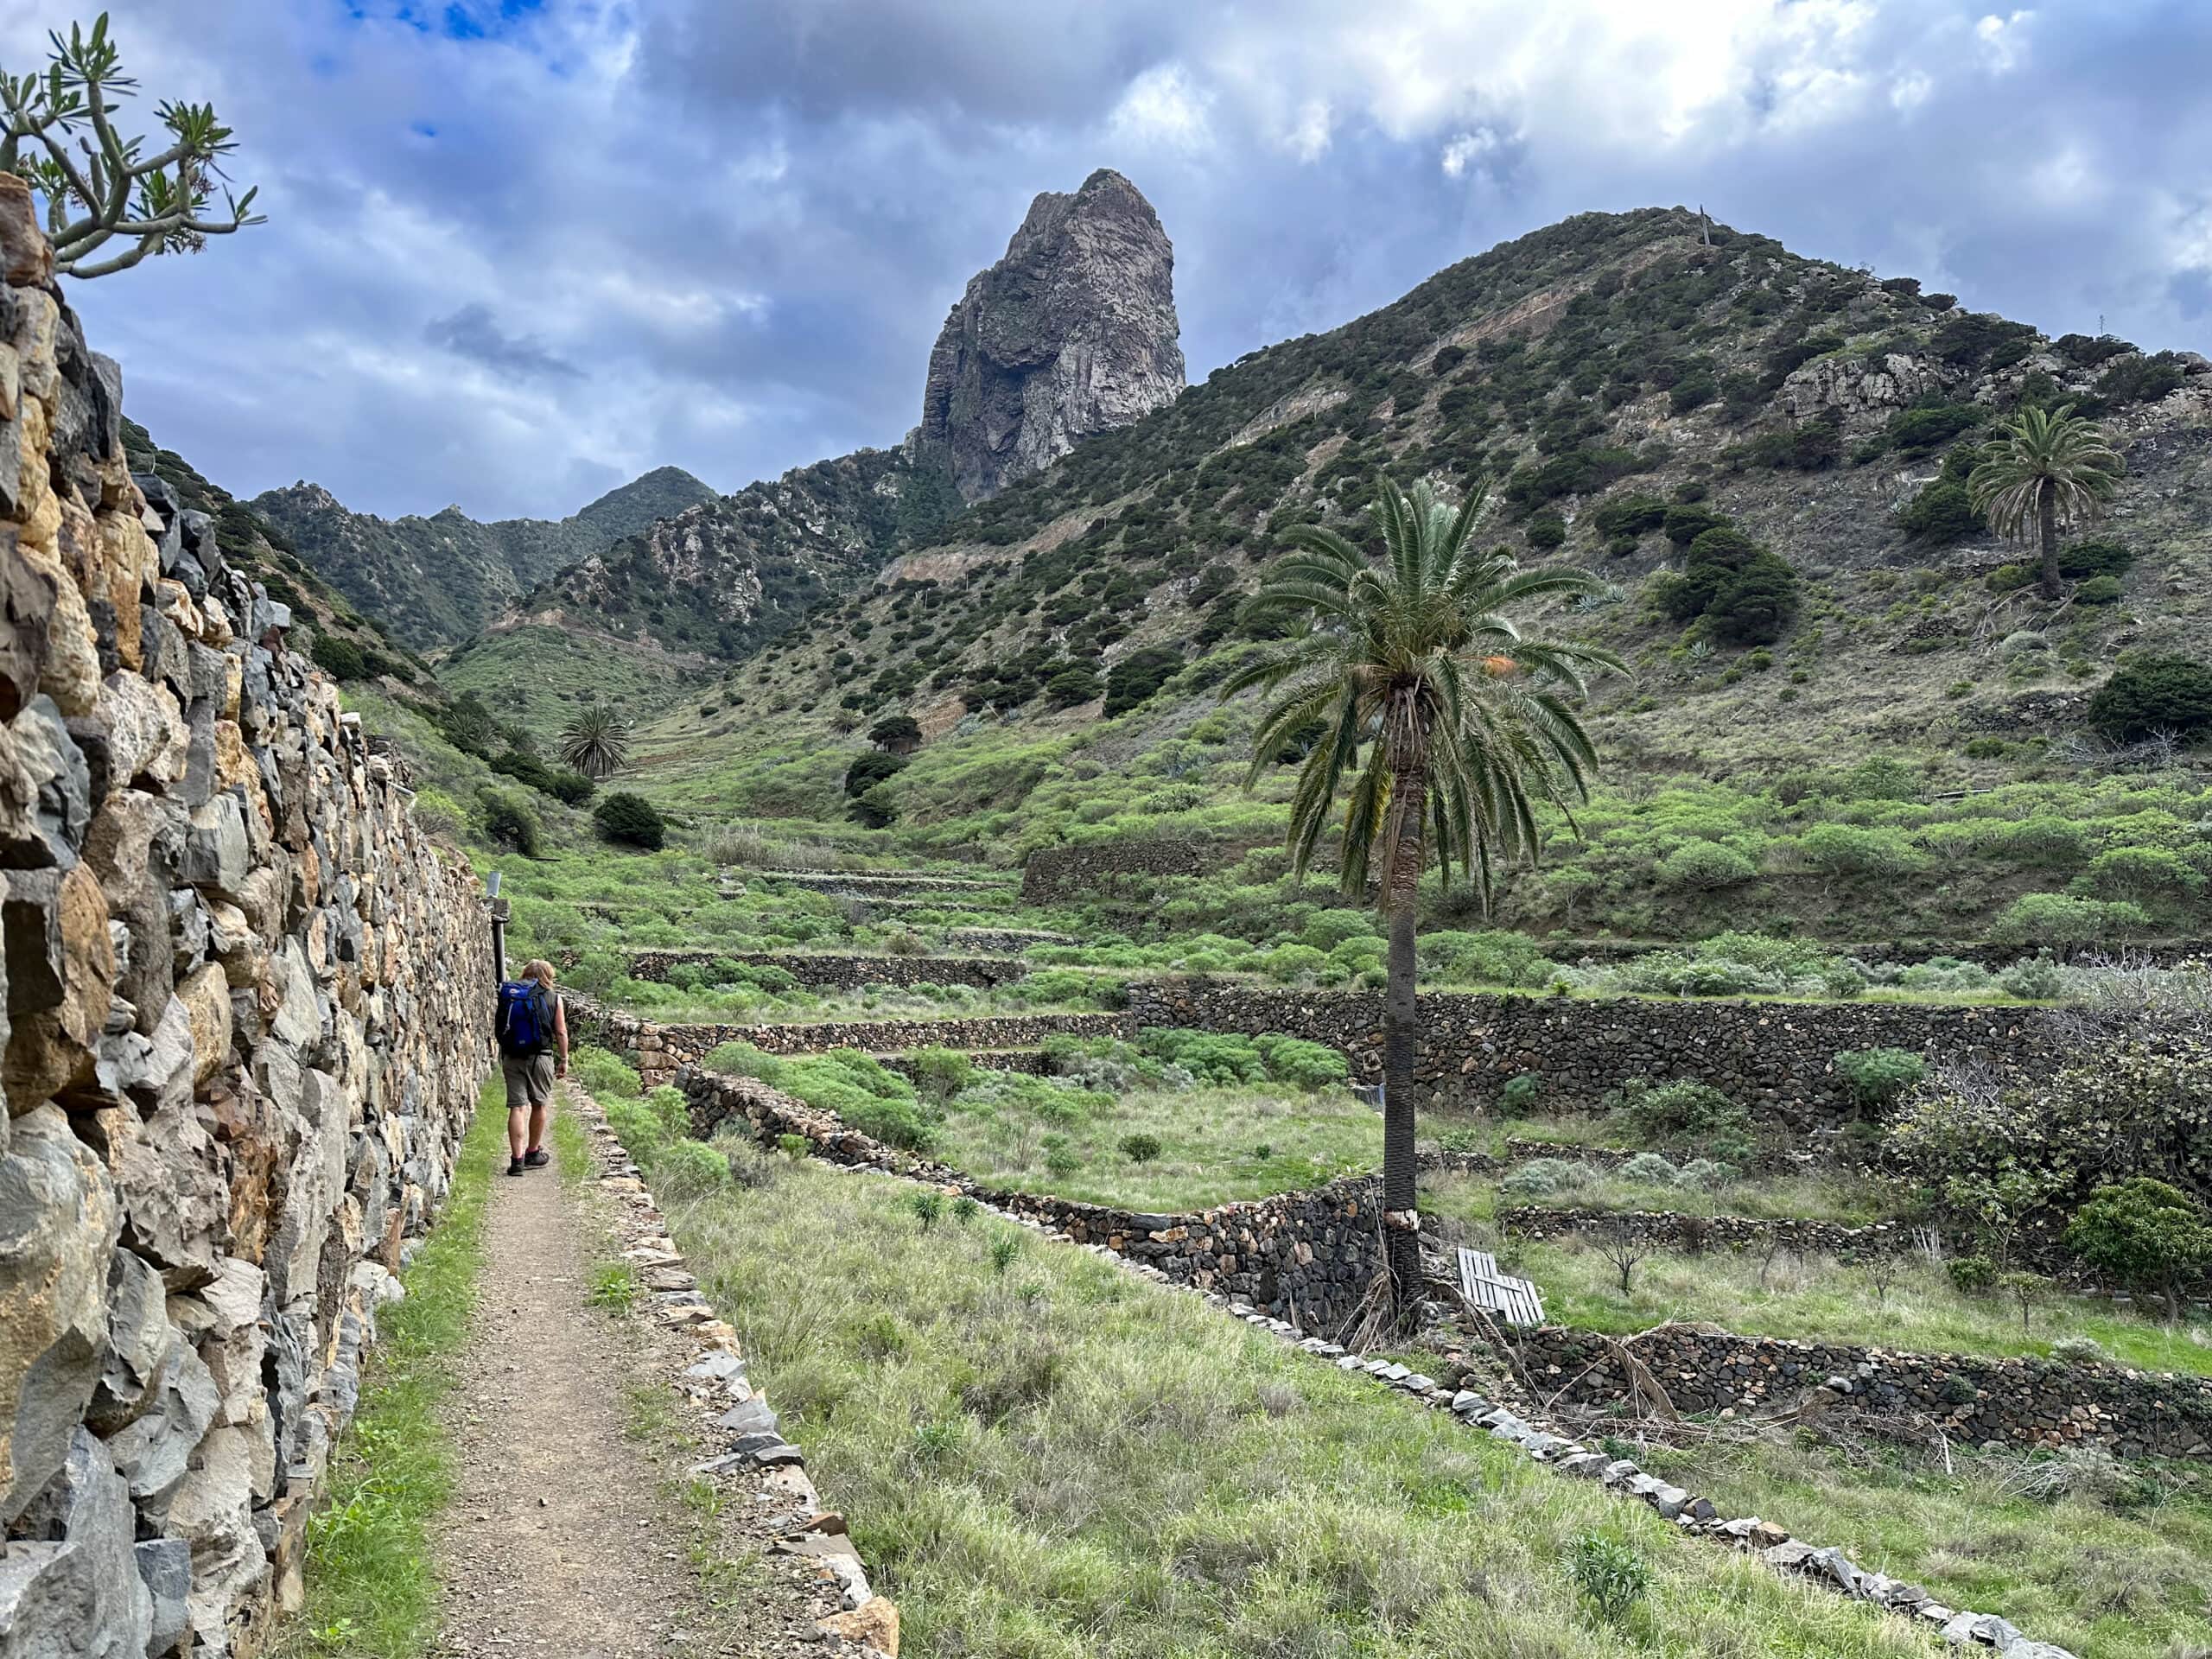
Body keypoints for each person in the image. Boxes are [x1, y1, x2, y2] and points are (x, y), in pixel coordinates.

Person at [495, 959, 569, 1177]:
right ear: (548, 976)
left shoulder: (509, 995)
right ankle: (533, 1153)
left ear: (525, 973)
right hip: (541, 1057)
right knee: (539, 1105)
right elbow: (561, 1032)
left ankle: (516, 1161)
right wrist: (563, 1059)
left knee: (517, 1107)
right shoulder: (553, 998)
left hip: (512, 1056)